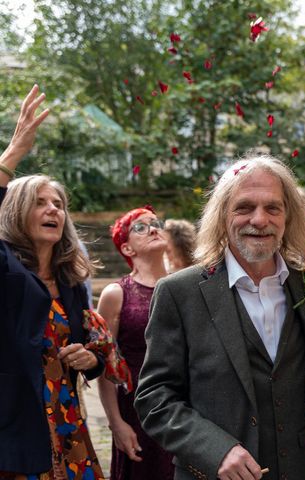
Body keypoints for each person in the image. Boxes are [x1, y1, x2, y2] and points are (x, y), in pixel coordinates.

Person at [135, 153, 305, 480]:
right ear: (222, 216)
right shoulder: (179, 293)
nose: (259, 220)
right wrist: (215, 450)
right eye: (244, 207)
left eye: (272, 208)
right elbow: (154, 398)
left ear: (288, 217)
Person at [0, 85, 106, 478]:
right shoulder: (5, 266)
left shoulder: (72, 282)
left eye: (58, 204)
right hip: (17, 427)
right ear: (16, 212)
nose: (53, 210)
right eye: (40, 203)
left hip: (69, 423)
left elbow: (89, 352)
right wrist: (13, 154)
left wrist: (90, 359)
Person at [96, 207, 174, 480]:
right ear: (127, 249)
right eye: (140, 227)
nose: (153, 228)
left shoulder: (186, 286)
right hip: (138, 411)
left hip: (184, 405)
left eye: (156, 223)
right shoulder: (115, 294)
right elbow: (105, 363)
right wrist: (116, 423)